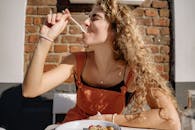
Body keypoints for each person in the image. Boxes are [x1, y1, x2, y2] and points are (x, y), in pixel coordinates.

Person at [22, 0, 181, 129]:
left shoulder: (134, 70)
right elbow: (30, 91)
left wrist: (108, 119)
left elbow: (171, 120)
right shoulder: (76, 61)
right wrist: (45, 38)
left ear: (115, 29)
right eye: (88, 16)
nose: (85, 22)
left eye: (94, 17)